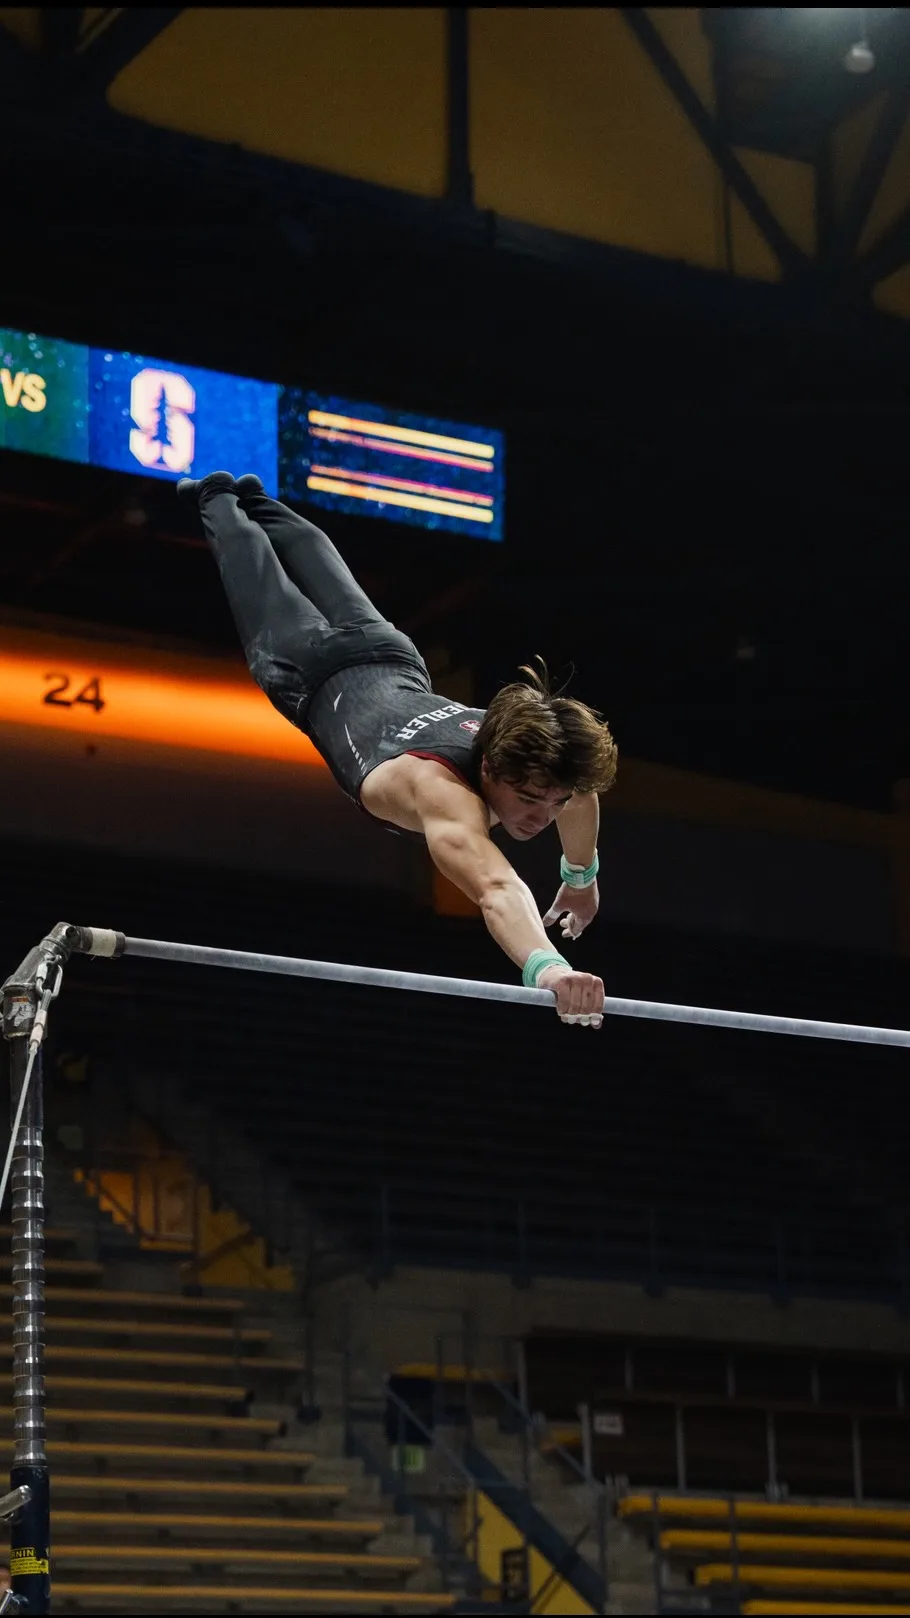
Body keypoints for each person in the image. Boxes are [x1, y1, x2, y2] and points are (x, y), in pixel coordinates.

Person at [177, 473, 619, 1028]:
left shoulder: (521, 740)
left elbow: (580, 794)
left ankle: (259, 500)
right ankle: (215, 495)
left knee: (320, 560)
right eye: (530, 799)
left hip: (389, 657)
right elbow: (496, 886)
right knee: (251, 565)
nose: (540, 817)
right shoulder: (441, 790)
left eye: (551, 804)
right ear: (488, 767)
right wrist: (548, 968)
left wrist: (581, 879)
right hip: (307, 668)